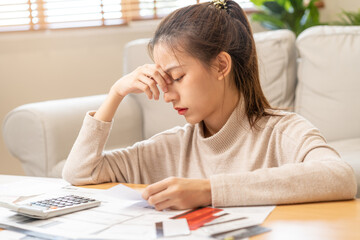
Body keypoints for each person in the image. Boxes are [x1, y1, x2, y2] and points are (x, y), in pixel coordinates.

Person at [62, 0, 357, 210]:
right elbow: (80, 173)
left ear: (220, 65)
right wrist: (115, 93)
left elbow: (341, 177)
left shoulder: (282, 132)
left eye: (176, 77)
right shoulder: (171, 147)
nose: (167, 95)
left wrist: (208, 190)